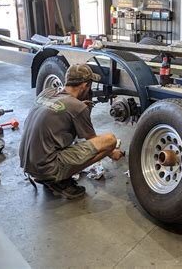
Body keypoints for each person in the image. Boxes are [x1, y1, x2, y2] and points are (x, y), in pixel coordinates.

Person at [19, 64, 124, 199]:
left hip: (27, 162)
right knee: (110, 140)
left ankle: (47, 176)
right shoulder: (77, 107)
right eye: (89, 85)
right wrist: (112, 152)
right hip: (46, 167)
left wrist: (79, 109)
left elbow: (58, 116)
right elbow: (92, 141)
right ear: (84, 85)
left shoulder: (47, 92)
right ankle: (59, 180)